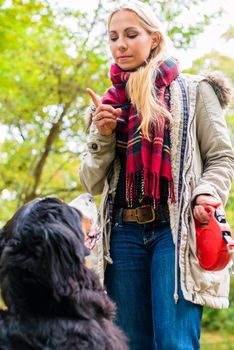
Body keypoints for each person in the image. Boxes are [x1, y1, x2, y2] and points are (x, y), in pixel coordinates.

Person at [80, 1, 234, 349]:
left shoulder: (196, 91)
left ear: (154, 39)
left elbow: (222, 157)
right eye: (113, 37)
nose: (120, 44)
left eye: (131, 35)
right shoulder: (105, 105)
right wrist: (102, 136)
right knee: (128, 343)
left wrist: (207, 192)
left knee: (174, 342)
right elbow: (91, 183)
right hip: (122, 236)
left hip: (174, 232)